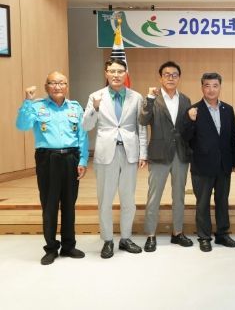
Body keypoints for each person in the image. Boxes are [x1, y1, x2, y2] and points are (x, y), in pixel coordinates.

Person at [16, 72, 89, 265]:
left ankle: (68, 246)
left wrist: (82, 161)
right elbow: (22, 126)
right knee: (49, 205)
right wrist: (27, 102)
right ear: (46, 86)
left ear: (67, 86)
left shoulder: (75, 107)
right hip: (47, 159)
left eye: (61, 83)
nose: (57, 86)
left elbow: (82, 136)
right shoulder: (36, 106)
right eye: (53, 83)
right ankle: (50, 248)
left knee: (69, 204)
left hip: (71, 158)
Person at [83, 59, 147, 258]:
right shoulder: (96, 96)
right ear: (106, 73)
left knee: (128, 199)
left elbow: (141, 128)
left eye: (120, 71)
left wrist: (143, 153)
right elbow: (86, 126)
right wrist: (94, 108)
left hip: (129, 152)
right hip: (105, 154)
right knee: (105, 200)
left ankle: (126, 238)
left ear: (126, 73)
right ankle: (108, 240)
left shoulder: (136, 97)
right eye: (112, 71)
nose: (116, 75)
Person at [181, 72, 235, 252]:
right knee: (203, 203)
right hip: (202, 165)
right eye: (207, 85)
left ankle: (222, 234)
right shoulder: (193, 110)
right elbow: (185, 137)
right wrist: (191, 121)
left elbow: (233, 137)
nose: (211, 89)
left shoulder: (228, 109)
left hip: (223, 165)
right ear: (202, 88)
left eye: (215, 85)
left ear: (220, 87)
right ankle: (204, 236)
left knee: (222, 201)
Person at [139, 61, 193, 252]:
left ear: (179, 78)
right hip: (159, 154)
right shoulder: (153, 99)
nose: (171, 78)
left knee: (179, 196)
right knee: (154, 196)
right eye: (167, 75)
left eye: (174, 75)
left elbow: (187, 127)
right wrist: (149, 99)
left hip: (181, 153)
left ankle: (177, 232)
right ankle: (150, 235)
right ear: (160, 78)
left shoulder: (185, 100)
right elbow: (143, 120)